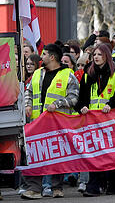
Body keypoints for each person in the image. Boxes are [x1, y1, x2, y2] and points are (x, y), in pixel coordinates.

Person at [21, 43, 79, 200]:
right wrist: (27, 104)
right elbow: (29, 91)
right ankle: (34, 188)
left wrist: (58, 104)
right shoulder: (38, 73)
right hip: (36, 123)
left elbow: (74, 97)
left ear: (52, 57)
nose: (41, 57)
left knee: (56, 155)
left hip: (57, 124)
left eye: (44, 54)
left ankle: (56, 187)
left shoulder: (68, 75)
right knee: (34, 155)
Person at [78, 44, 115, 197]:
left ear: (107, 57)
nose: (96, 57)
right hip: (92, 122)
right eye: (94, 54)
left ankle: (113, 184)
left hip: (111, 122)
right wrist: (82, 107)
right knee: (94, 154)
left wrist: (111, 105)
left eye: (100, 55)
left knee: (111, 154)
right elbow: (82, 97)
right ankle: (93, 186)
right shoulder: (88, 74)